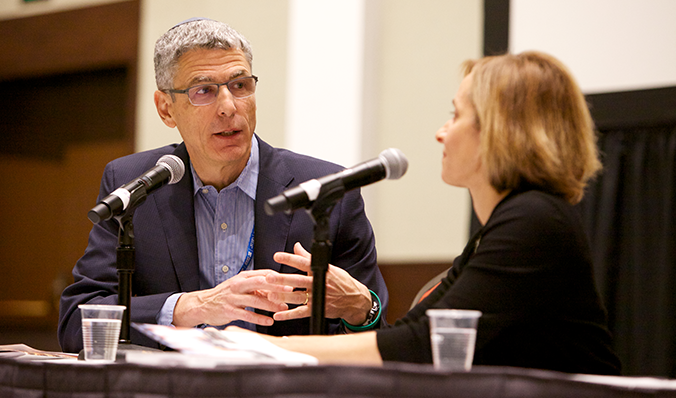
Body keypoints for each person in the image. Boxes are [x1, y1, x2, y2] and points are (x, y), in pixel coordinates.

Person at [252, 51, 622, 375]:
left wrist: (262, 349)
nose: (440, 133)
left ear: (499, 131)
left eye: (455, 115)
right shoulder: (504, 227)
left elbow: (417, 346)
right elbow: (414, 334)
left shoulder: (534, 223)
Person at [57, 17, 388, 353]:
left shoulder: (326, 192)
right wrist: (188, 307)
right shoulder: (133, 185)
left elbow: (379, 334)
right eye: (204, 91)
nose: (229, 107)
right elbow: (76, 320)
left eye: (240, 85)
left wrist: (363, 308)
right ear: (166, 109)